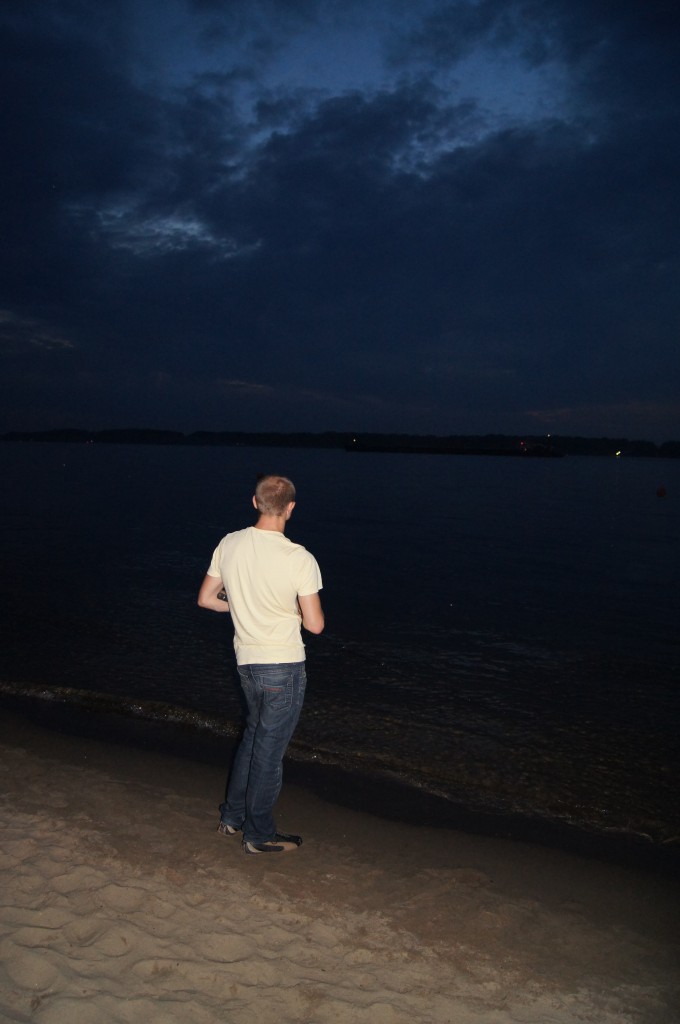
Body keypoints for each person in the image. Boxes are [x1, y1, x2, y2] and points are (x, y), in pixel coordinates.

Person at [197, 474, 324, 854]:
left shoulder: (230, 543)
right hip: (283, 664)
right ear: (291, 508)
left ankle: (231, 818)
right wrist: (289, 612)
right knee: (269, 752)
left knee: (254, 738)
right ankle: (259, 834)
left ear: (255, 503)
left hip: (247, 663)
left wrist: (241, 605)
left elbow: (206, 599)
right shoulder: (299, 558)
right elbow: (315, 625)